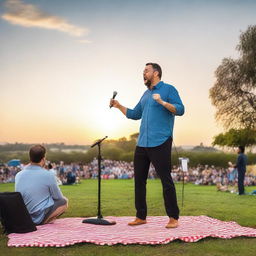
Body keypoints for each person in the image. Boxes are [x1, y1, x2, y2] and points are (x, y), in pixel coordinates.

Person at [110, 63, 184, 228]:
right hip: (142, 143)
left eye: (146, 70)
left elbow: (180, 109)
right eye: (143, 71)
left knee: (166, 180)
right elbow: (135, 114)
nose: (143, 73)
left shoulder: (169, 89)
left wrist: (163, 102)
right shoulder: (145, 94)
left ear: (155, 73)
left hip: (161, 141)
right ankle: (141, 216)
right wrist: (118, 105)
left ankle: (173, 217)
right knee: (139, 181)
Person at [15, 145, 68, 225]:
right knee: (64, 201)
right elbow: (58, 197)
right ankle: (45, 221)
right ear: (43, 159)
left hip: (24, 216)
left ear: (30, 158)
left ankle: (45, 219)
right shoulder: (48, 175)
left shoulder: (19, 175)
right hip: (38, 217)